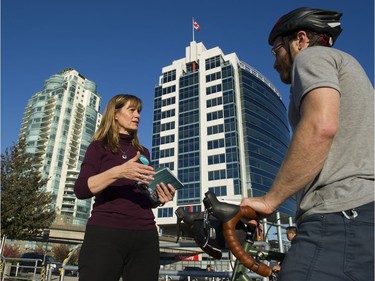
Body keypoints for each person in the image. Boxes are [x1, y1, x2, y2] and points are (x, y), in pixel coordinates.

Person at [240, 7, 374, 281]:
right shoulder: (351, 70)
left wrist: (269, 201)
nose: (275, 61)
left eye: (276, 49)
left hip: (339, 216)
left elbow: (320, 128)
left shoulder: (312, 57)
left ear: (300, 39)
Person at [74, 94, 176, 281]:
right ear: (115, 114)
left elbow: (147, 196)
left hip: (145, 235)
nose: (137, 115)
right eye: (132, 110)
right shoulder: (98, 148)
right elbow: (81, 189)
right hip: (106, 234)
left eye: (139, 111)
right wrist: (118, 172)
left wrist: (159, 198)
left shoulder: (143, 152)